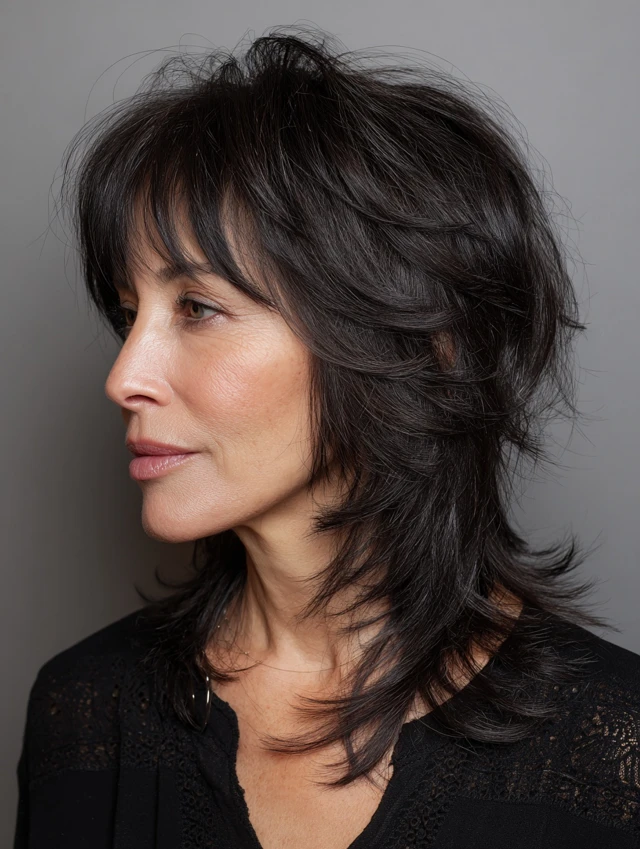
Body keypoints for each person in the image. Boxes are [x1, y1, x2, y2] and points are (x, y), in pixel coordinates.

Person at [14, 25, 640, 849]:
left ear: (415, 341)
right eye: (130, 315)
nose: (124, 375)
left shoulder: (613, 748)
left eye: (197, 307)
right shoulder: (84, 712)